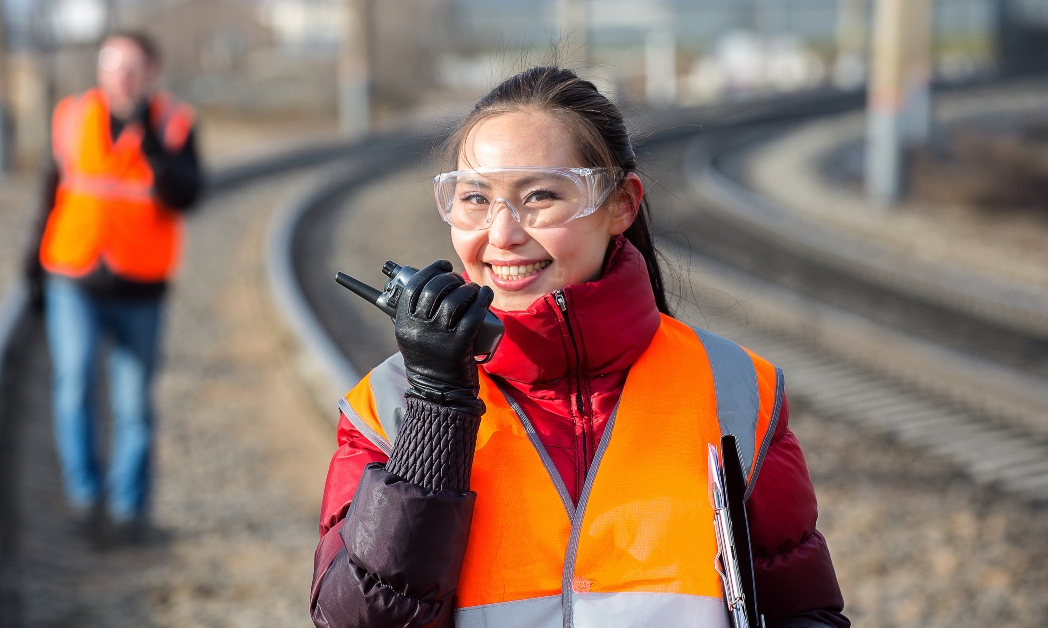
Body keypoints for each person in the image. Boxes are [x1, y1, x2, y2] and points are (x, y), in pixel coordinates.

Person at [310, 67, 848, 627]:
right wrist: (436, 413)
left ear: (621, 203)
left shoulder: (736, 390)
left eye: (540, 195)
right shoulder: (390, 402)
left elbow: (801, 612)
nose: (501, 234)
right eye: (474, 198)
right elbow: (357, 622)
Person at [25, 31, 201, 542]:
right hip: (73, 275)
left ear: (151, 73)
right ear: (100, 70)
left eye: (132, 66)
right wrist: (30, 270)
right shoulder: (71, 117)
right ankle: (85, 499)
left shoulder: (172, 125)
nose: (120, 75)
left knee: (133, 404)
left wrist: (151, 146)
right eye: (111, 64)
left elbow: (187, 195)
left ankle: (130, 511)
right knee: (74, 383)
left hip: (140, 287)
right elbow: (47, 193)